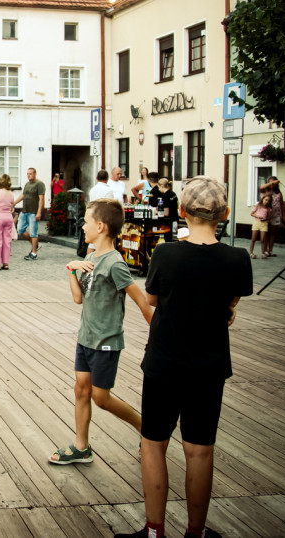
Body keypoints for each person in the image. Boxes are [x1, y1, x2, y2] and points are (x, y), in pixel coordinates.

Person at [116, 176, 251, 538]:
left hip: (165, 361)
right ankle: (196, 532)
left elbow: (155, 300)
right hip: (209, 365)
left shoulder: (166, 252)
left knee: (153, 443)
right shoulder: (237, 258)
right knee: (200, 450)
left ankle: (154, 530)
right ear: (223, 214)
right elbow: (231, 304)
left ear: (180, 211)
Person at [50, 198, 152, 465]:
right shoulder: (91, 256)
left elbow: (142, 301)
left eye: (85, 222)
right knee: (81, 390)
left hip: (106, 342)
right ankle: (81, 447)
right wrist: (71, 269)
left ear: (101, 226)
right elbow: (78, 298)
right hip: (86, 338)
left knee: (101, 398)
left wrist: (164, 333)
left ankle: (146, 429)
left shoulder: (115, 264)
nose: (82, 226)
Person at [14, 167, 46, 261]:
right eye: (27, 174)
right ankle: (35, 244)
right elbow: (23, 195)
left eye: (30, 174)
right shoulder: (27, 184)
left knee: (33, 233)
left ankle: (34, 253)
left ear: (35, 174)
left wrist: (39, 212)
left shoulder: (40, 184)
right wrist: (14, 203)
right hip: (24, 211)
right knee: (20, 230)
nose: (28, 175)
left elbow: (41, 199)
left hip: (33, 212)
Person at [259, 177, 284, 256]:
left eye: (274, 183)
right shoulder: (265, 191)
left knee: (273, 233)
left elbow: (282, 204)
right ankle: (265, 250)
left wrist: (283, 216)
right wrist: (272, 183)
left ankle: (270, 250)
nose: (272, 185)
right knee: (265, 232)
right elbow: (261, 187)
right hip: (266, 214)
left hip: (276, 214)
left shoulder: (278, 192)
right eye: (271, 183)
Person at [249, 194, 271, 259]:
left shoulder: (268, 209)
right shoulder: (258, 206)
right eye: (266, 200)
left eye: (268, 201)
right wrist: (257, 216)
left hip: (264, 224)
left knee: (263, 240)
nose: (267, 201)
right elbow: (252, 213)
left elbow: (269, 217)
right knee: (253, 239)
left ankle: (263, 253)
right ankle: (251, 252)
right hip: (257, 223)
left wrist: (266, 218)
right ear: (263, 199)